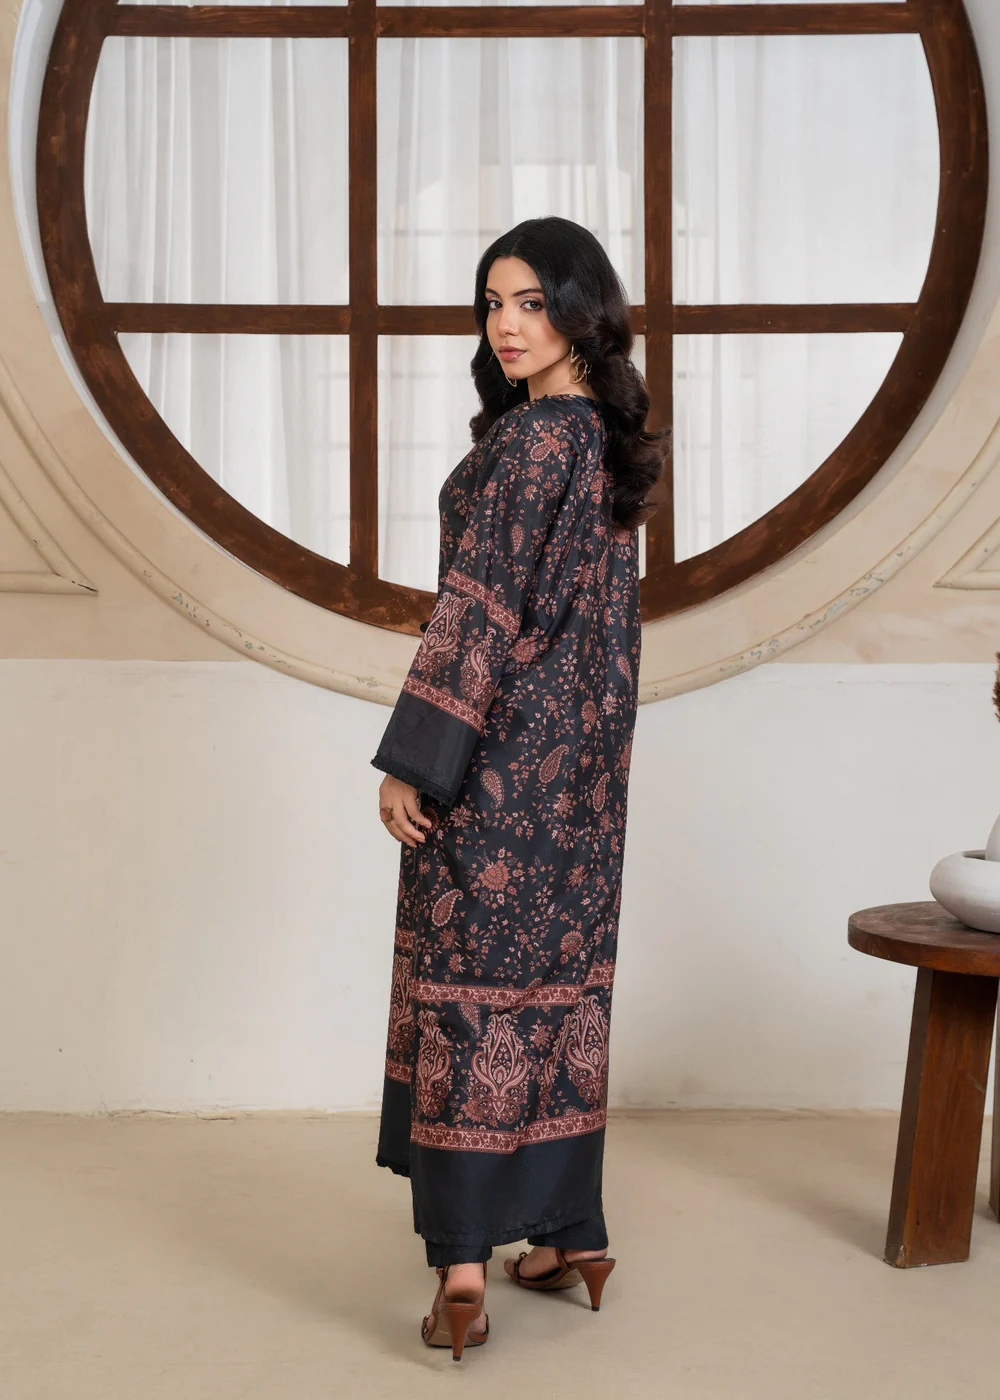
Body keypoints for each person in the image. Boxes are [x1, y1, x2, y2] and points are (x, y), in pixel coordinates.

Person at [370, 214, 669, 1360]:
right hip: (583, 777)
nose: (505, 323)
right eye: (493, 301)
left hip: (497, 769)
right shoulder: (598, 439)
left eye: (532, 302)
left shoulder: (538, 438)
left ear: (581, 311)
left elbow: (480, 607)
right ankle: (567, 1236)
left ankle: (461, 1272)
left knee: (470, 1000)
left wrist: (416, 756)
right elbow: (601, 633)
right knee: (556, 994)